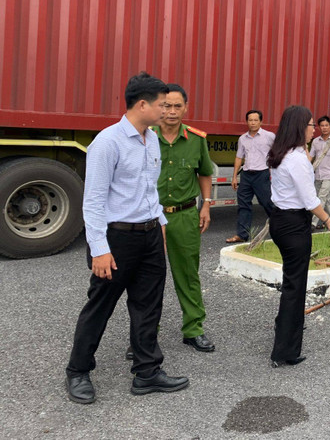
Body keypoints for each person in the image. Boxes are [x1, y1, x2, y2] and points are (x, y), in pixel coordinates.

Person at [65, 72, 188, 404]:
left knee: (148, 306)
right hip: (115, 239)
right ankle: (78, 370)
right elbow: (92, 201)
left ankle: (147, 372)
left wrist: (159, 226)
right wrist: (100, 250)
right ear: (143, 104)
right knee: (100, 305)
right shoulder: (108, 142)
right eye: (162, 104)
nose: (167, 110)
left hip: (148, 236)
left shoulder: (151, 140)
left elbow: (149, 192)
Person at [267, 106, 330, 367]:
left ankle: (285, 330)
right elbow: (310, 199)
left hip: (280, 220)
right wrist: (329, 221)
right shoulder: (296, 159)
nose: (314, 129)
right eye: (310, 125)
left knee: (291, 282)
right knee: (294, 287)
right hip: (294, 225)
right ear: (300, 127)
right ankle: (284, 351)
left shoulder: (283, 152)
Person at [153, 84, 216, 353]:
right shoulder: (144, 136)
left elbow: (204, 172)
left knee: (188, 273)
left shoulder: (196, 139)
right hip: (150, 217)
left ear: (186, 108)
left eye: (177, 106)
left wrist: (206, 205)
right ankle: (145, 332)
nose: (171, 111)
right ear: (158, 107)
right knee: (147, 277)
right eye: (166, 105)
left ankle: (193, 329)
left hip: (185, 214)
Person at [227, 110, 275, 243]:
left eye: (255, 120)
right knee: (243, 204)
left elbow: (278, 152)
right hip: (247, 175)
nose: (253, 123)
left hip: (262, 174)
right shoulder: (242, 138)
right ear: (246, 121)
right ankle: (242, 235)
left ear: (261, 121)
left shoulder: (269, 136)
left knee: (268, 203)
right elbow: (239, 157)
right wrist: (234, 176)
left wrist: (275, 170)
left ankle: (281, 229)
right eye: (250, 120)